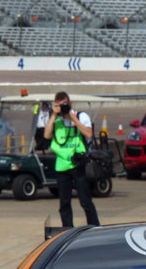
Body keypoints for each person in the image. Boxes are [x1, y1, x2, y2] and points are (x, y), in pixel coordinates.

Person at [44, 91, 100, 227]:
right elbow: (46, 135)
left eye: (64, 105)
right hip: (62, 166)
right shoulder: (56, 120)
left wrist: (72, 118)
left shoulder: (81, 116)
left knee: (85, 200)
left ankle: (94, 226)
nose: (62, 108)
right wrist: (54, 114)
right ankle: (67, 229)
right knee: (64, 202)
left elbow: (88, 134)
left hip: (78, 164)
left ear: (70, 104)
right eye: (59, 105)